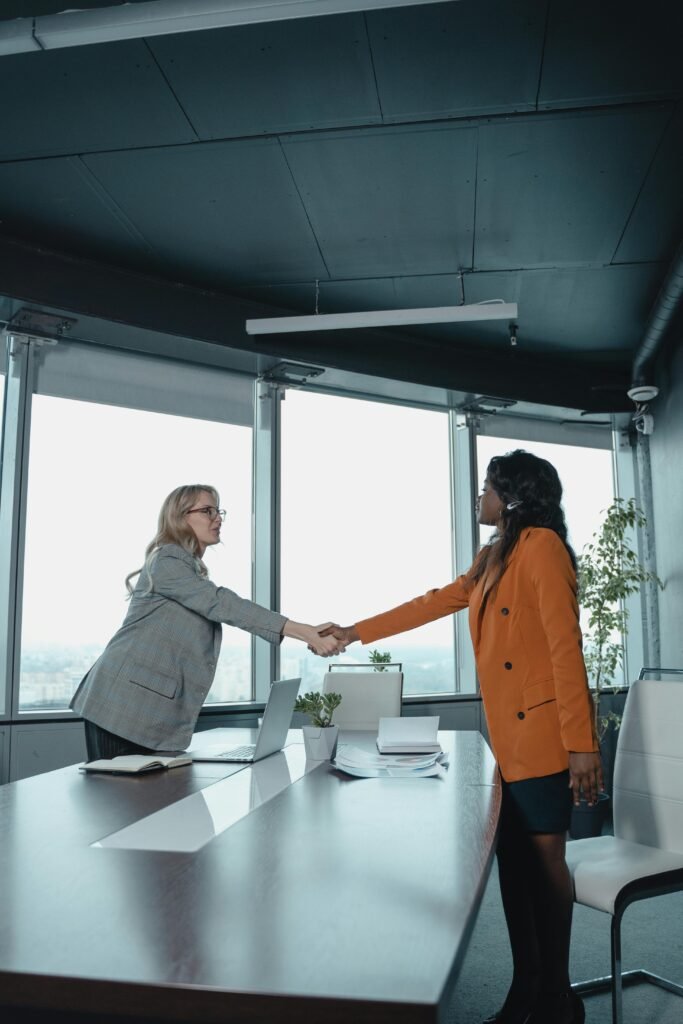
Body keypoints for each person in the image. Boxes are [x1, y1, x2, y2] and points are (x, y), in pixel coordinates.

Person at [320, 450, 601, 1024]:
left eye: (487, 488)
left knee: (545, 869)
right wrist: (354, 632)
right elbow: (432, 602)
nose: (480, 497)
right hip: (508, 743)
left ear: (513, 497)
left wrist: (583, 744)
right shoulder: (493, 555)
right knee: (515, 871)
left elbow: (565, 650)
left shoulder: (542, 547)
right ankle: (526, 989)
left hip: (546, 738)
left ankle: (557, 999)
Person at [71, 484, 343, 759]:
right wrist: (304, 631)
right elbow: (221, 603)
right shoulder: (167, 559)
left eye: (218, 510)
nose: (218, 518)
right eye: (207, 510)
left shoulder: (188, 569)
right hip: (121, 708)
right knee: (121, 799)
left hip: (147, 714)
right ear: (180, 517)